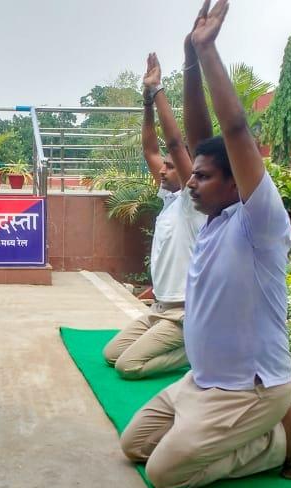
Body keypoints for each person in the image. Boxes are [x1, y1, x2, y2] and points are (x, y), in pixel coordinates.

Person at [119, 0, 291, 488]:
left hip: (249, 390)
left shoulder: (260, 223)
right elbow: (197, 141)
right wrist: (186, 59)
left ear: (234, 183)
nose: (191, 183)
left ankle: (276, 442)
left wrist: (207, 51)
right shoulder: (211, 218)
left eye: (203, 177)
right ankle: (222, 432)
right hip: (199, 383)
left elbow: (233, 132)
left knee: (164, 474)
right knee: (134, 447)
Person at [102, 53, 206, 380]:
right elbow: (151, 150)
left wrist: (158, 88)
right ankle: (185, 346)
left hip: (183, 315)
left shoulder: (193, 202)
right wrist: (146, 102)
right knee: (111, 354)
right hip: (158, 311)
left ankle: (196, 352)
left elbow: (175, 144)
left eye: (171, 165)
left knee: (128, 366)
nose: (162, 169)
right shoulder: (170, 199)